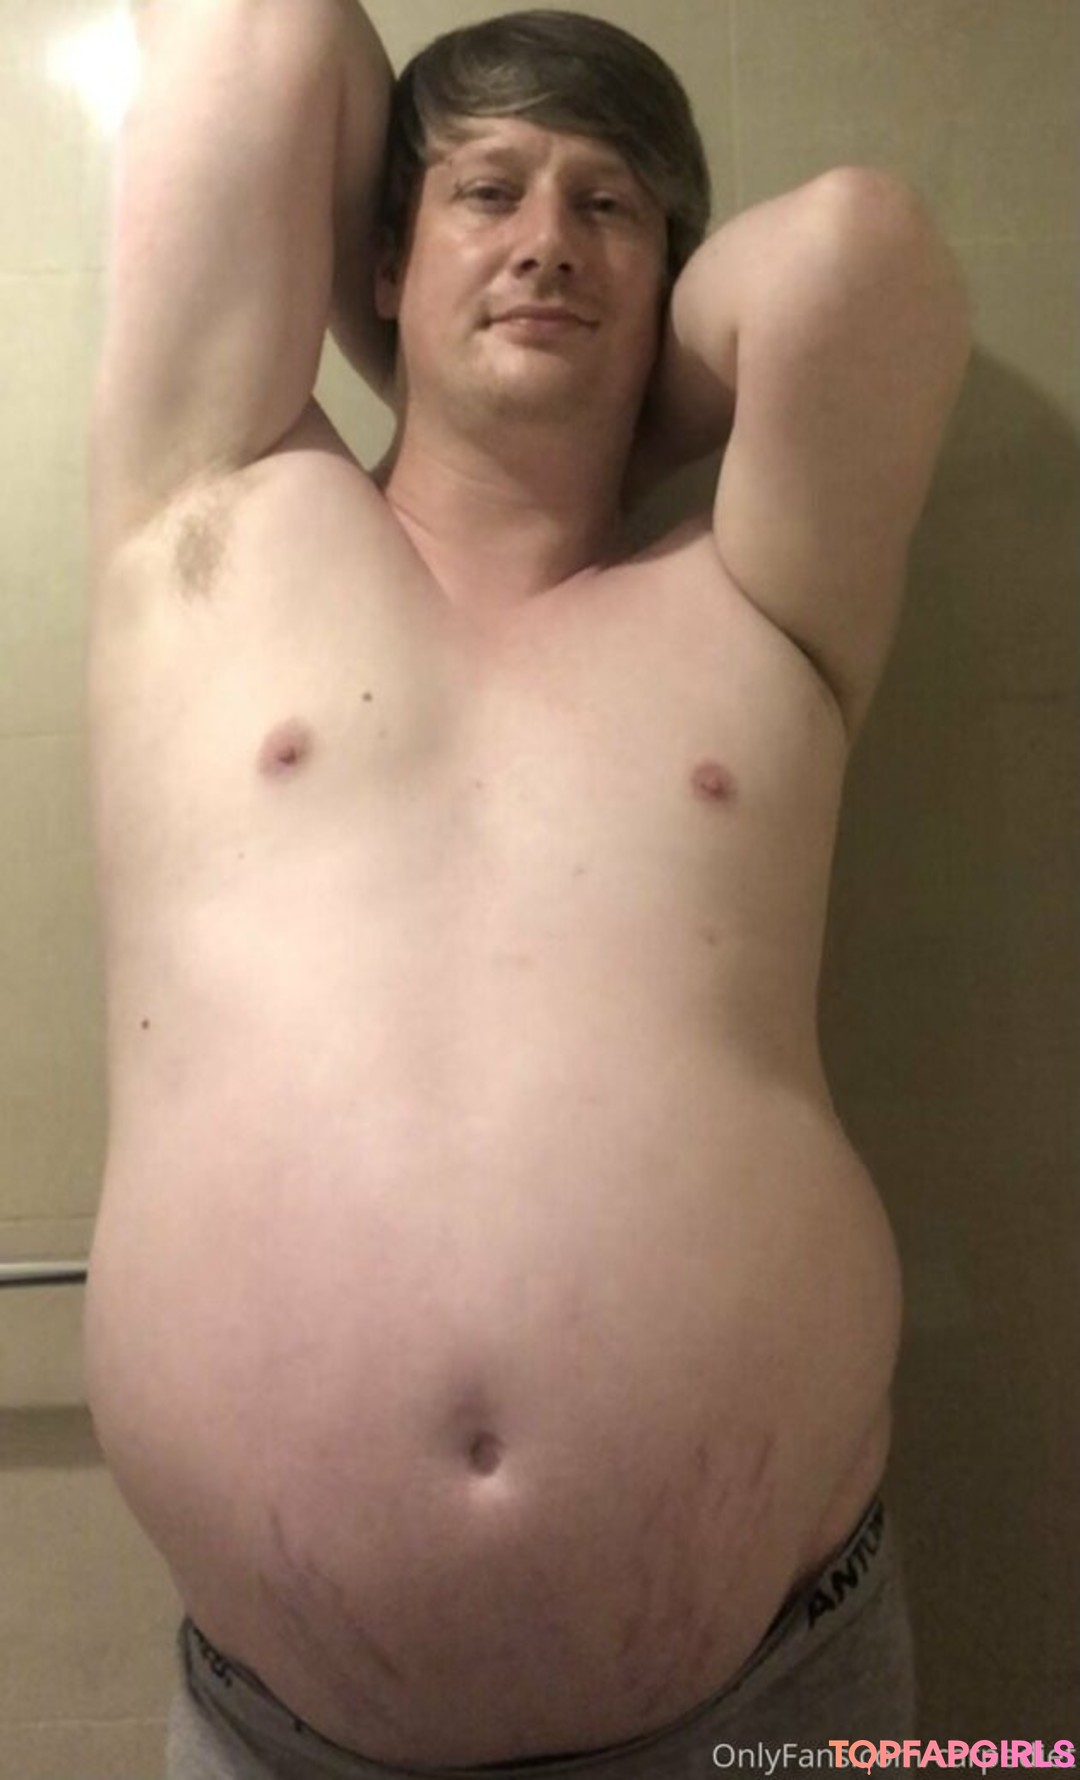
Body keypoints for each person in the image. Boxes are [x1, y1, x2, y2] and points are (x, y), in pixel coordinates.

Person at [83, 3, 972, 1776]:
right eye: (488, 192)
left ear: (675, 278)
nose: (550, 238)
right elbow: (261, 28)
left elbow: (855, 260)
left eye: (609, 209)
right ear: (380, 257)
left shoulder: (759, 602)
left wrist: (559, 355)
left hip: (780, 1710)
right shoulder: (209, 515)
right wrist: (453, 320)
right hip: (283, 1737)